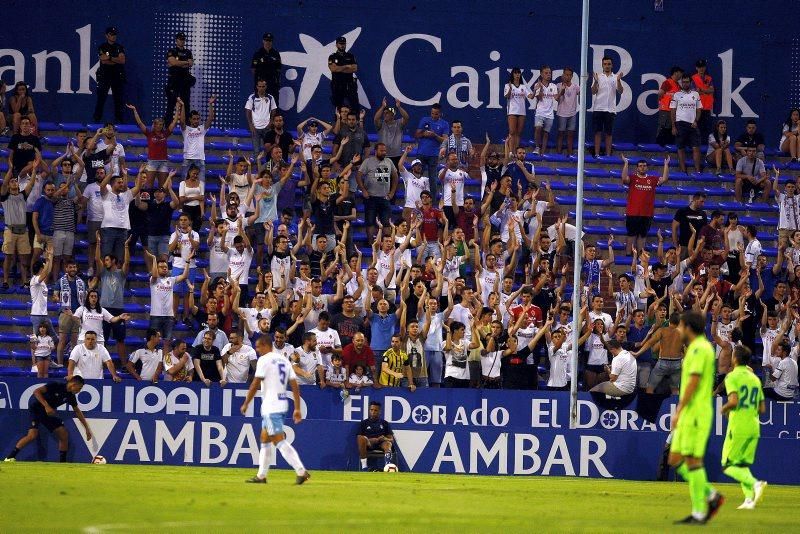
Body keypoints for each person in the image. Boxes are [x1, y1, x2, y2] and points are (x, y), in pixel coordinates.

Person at [668, 311, 724, 525]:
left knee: (692, 460)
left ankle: (700, 511)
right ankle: (711, 495)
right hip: (691, 412)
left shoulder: (700, 348)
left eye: (681, 326)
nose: (678, 330)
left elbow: (693, 381)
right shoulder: (695, 348)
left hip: (696, 412)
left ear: (689, 328)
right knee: (675, 459)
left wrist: (679, 410)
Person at [241, 335, 310, 484]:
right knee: (265, 439)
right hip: (281, 403)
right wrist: (297, 407)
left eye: (259, 346)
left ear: (266, 345)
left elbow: (255, 384)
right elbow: (294, 385)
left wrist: (246, 402)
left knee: (278, 440)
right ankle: (261, 475)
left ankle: (301, 471)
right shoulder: (284, 360)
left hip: (271, 406)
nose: (257, 350)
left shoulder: (264, 360)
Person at [720, 346, 768, 510]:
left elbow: (733, 401)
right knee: (742, 466)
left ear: (734, 359)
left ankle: (755, 484)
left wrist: (724, 409)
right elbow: (762, 409)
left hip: (738, 426)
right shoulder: (755, 379)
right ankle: (748, 500)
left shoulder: (732, 376)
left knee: (728, 465)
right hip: (754, 426)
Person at [4, 376, 92, 463]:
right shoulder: (56, 385)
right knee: (32, 435)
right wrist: (47, 406)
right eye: (79, 388)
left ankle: (62, 463)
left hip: (48, 413)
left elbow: (77, 412)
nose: (79, 391)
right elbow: (36, 391)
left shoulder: (70, 396)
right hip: (37, 409)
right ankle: (10, 457)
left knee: (63, 434)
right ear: (74, 384)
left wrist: (87, 429)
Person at [621, 154, 669, 255]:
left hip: (647, 213)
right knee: (631, 235)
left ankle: (640, 255)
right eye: (640, 166)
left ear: (647, 167)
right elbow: (624, 178)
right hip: (633, 212)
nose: (642, 167)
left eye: (644, 165)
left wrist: (666, 165)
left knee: (642, 235)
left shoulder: (652, 179)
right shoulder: (633, 178)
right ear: (637, 168)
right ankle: (628, 254)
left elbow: (664, 179)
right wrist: (626, 163)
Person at [126, 102, 180, 188]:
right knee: (149, 185)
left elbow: (174, 122)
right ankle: (148, 200)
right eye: (158, 124)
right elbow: (140, 123)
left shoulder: (165, 133)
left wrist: (177, 109)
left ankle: (160, 201)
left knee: (162, 186)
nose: (160, 126)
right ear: (154, 125)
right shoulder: (149, 134)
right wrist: (134, 110)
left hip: (163, 162)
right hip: (152, 162)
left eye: (161, 125)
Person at [356, 143, 398, 246]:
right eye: (381, 151)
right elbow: (358, 175)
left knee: (386, 224)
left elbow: (395, 176)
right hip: (371, 197)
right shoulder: (368, 162)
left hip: (384, 198)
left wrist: (392, 192)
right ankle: (371, 244)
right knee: (370, 222)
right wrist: (363, 190)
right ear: (376, 151)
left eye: (385, 151)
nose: (384, 153)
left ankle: (387, 245)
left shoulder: (389, 161)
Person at [591, 56, 624, 157]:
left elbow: (620, 91)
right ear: (602, 65)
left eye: (609, 64)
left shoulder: (615, 77)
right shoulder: (598, 77)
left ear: (612, 65)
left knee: (608, 133)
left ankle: (608, 155)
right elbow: (593, 92)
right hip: (598, 108)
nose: (607, 66)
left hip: (610, 110)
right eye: (605, 64)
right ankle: (597, 154)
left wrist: (618, 81)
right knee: (597, 132)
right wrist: (596, 81)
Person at [414, 103, 448, 200]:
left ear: (440, 114)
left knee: (432, 179)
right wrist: (423, 133)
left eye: (436, 114)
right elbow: (417, 135)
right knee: (417, 177)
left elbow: (445, 140)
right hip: (421, 153)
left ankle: (432, 202)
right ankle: (416, 199)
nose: (433, 115)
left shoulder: (444, 124)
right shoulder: (424, 120)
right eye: (432, 113)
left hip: (433, 155)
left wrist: (435, 135)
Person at [670, 73, 703, 174]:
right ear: (681, 83)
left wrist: (696, 121)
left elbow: (699, 110)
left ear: (690, 82)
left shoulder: (695, 94)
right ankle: (683, 171)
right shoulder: (676, 95)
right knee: (681, 148)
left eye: (687, 82)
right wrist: (673, 126)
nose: (685, 84)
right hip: (680, 124)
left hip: (692, 125)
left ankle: (697, 171)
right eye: (683, 82)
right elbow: (672, 111)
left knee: (696, 148)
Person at [93, 27, 126, 123]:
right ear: (107, 35)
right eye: (111, 34)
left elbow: (122, 60)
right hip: (105, 76)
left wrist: (110, 57)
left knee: (118, 99)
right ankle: (96, 119)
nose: (114, 36)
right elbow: (103, 60)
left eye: (115, 34)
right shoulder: (102, 47)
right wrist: (115, 60)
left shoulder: (119, 47)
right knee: (101, 98)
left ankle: (119, 121)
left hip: (117, 77)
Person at [179, 97, 216, 182]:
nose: (196, 121)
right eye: (194, 119)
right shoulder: (185, 129)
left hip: (200, 159)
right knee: (183, 183)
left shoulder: (202, 128)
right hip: (187, 158)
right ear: (190, 119)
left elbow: (210, 118)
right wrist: (183, 105)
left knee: (201, 183)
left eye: (198, 119)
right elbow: (181, 121)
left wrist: (210, 104)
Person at [356, 401, 394, 471]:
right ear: (369, 410)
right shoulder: (364, 423)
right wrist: (372, 440)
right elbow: (359, 438)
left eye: (376, 410)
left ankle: (387, 466)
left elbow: (391, 439)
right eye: (371, 410)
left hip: (381, 443)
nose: (373, 412)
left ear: (380, 412)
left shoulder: (385, 423)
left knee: (388, 443)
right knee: (361, 438)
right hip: (369, 443)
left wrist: (384, 438)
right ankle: (364, 467)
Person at [165, 32, 194, 123]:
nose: (182, 41)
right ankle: (168, 126)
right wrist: (184, 62)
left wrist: (178, 63)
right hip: (174, 81)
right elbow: (173, 62)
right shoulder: (172, 51)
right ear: (176, 40)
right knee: (171, 104)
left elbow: (190, 63)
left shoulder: (188, 52)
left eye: (183, 39)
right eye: (180, 39)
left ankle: (186, 127)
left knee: (186, 105)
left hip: (184, 81)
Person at [245, 79, 278, 159]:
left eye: (263, 86)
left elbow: (274, 110)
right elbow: (248, 111)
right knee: (256, 151)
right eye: (259, 86)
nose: (261, 88)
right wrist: (251, 125)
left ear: (266, 87)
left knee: (269, 150)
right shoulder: (252, 97)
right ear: (257, 87)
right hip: (255, 128)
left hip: (267, 128)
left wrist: (271, 122)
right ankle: (258, 170)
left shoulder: (270, 97)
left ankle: (268, 169)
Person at [504, 68, 534, 154]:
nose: (517, 75)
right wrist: (510, 88)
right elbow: (507, 96)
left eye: (518, 73)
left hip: (522, 112)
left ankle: (516, 151)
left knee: (518, 133)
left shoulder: (523, 87)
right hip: (512, 111)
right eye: (515, 73)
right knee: (512, 132)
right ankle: (510, 152)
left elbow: (531, 96)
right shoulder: (507, 85)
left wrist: (536, 90)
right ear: (512, 75)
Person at [374, 97, 409, 169]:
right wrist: (383, 107)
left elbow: (406, 117)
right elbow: (376, 118)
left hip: (396, 156)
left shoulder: (399, 123)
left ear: (393, 115)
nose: (384, 114)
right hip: (383, 156)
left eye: (387, 113)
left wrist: (399, 107)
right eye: (384, 113)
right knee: (382, 179)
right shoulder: (381, 124)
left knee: (395, 179)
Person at [328, 36, 359, 113]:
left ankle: (355, 124)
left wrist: (339, 68)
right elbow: (333, 69)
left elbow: (354, 69)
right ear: (336, 45)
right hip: (337, 85)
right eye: (340, 43)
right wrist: (346, 66)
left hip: (349, 85)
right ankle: (338, 123)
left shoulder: (350, 56)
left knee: (354, 107)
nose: (342, 45)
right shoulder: (332, 56)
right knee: (338, 108)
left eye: (344, 44)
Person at [532, 65, 558, 155]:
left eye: (549, 73)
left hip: (550, 114)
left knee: (546, 133)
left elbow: (556, 98)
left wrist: (562, 91)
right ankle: (537, 147)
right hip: (540, 112)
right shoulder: (537, 85)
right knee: (538, 128)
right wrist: (541, 89)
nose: (548, 75)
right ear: (541, 74)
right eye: (546, 73)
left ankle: (543, 152)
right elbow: (539, 98)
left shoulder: (553, 86)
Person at [555, 67, 580, 156]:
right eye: (566, 74)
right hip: (562, 113)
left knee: (570, 134)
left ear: (572, 76)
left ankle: (570, 154)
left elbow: (583, 93)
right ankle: (558, 153)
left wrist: (585, 81)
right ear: (563, 75)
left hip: (572, 114)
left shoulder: (576, 87)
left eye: (569, 75)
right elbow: (557, 98)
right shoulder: (558, 85)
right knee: (561, 133)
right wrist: (562, 88)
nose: (567, 76)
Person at [251, 32, 282, 101]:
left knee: (274, 103)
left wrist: (276, 80)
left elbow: (279, 68)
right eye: (266, 40)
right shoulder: (258, 54)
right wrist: (260, 80)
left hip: (273, 83)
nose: (268, 42)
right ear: (263, 41)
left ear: (272, 42)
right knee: (260, 103)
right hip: (261, 84)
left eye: (270, 40)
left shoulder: (276, 54)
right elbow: (253, 69)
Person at [656, 66, 682, 146]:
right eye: (680, 73)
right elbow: (660, 93)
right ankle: (659, 148)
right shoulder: (667, 82)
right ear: (676, 73)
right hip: (666, 111)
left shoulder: (677, 85)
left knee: (670, 130)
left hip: (673, 112)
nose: (681, 75)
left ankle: (667, 149)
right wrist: (663, 104)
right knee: (663, 129)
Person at [691, 59, 715, 142]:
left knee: (707, 129)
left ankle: (706, 146)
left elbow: (712, 90)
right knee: (696, 127)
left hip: (707, 108)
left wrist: (701, 89)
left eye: (703, 67)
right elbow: (694, 92)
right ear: (696, 68)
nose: (701, 69)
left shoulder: (709, 78)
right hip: (697, 108)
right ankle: (696, 145)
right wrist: (706, 90)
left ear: (705, 67)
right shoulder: (693, 78)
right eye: (699, 67)